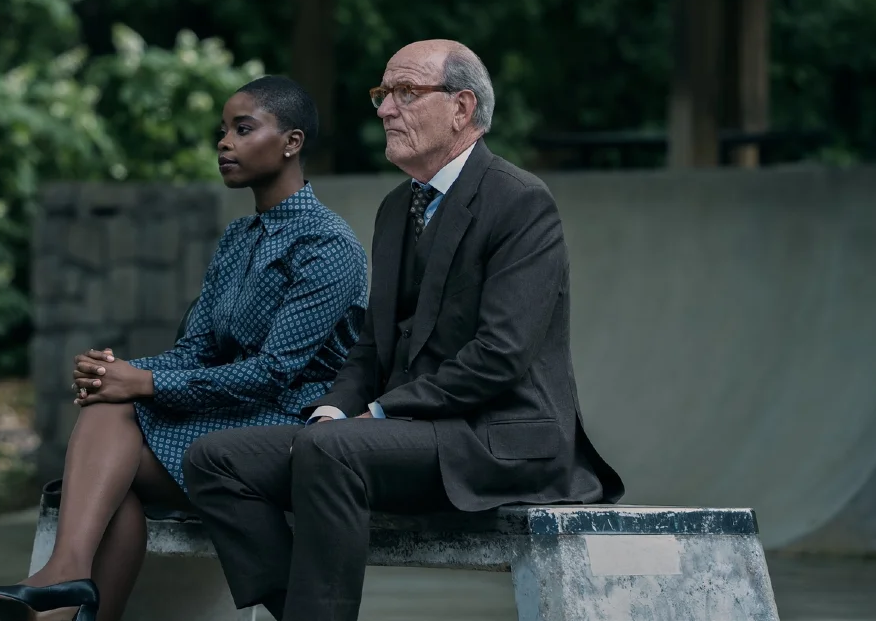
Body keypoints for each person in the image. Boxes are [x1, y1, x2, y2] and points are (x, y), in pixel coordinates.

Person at [182, 40, 625, 621]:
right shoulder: (397, 207)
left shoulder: (520, 202)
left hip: (497, 438)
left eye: (406, 93)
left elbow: (500, 355)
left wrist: (380, 413)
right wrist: (334, 410)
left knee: (331, 451)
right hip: (404, 435)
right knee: (214, 459)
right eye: (383, 93)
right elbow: (371, 345)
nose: (386, 109)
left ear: (461, 108)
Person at [0, 75, 368, 621]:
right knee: (111, 426)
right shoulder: (238, 238)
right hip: (223, 417)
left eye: (242, 129)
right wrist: (116, 371)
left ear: (291, 142)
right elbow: (197, 347)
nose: (223, 142)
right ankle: (69, 585)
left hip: (287, 434)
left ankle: (64, 587)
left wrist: (145, 382)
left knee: (115, 448)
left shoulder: (329, 245)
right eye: (222, 130)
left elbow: (274, 373)